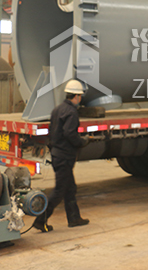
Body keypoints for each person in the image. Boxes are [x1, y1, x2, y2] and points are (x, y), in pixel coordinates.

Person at [32, 79, 90, 232]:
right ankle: (41, 220)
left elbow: (53, 131)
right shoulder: (71, 112)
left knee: (70, 188)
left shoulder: (57, 109)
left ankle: (74, 218)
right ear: (76, 96)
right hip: (65, 156)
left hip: (57, 154)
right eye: (80, 96)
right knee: (59, 191)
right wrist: (82, 141)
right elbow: (70, 133)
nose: (80, 99)